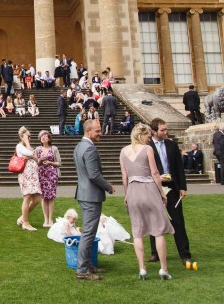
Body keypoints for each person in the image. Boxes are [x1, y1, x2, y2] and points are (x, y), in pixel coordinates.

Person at [120, 124, 174, 280]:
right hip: (149, 189)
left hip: (132, 192)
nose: (149, 139)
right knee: (158, 231)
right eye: (148, 136)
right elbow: (155, 173)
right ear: (141, 135)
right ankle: (163, 269)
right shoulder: (147, 149)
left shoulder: (123, 151)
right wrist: (162, 193)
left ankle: (142, 269)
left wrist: (126, 194)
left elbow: (124, 178)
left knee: (137, 232)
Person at [147, 118, 193, 269]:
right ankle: (154, 252)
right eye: (162, 130)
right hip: (154, 187)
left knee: (177, 220)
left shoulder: (172, 145)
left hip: (172, 187)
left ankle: (185, 253)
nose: (166, 132)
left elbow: (179, 168)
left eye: (166, 129)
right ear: (154, 131)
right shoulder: (147, 147)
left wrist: (182, 187)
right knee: (154, 220)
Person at [73, 119, 115, 281]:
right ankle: (82, 269)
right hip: (90, 195)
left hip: (84, 194)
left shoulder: (79, 146)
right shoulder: (89, 149)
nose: (100, 133)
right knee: (88, 233)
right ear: (88, 131)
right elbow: (93, 174)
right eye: (97, 131)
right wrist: (108, 186)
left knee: (88, 232)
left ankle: (87, 264)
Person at [15, 127, 41, 231]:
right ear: (23, 137)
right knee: (27, 197)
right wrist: (26, 142)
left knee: (37, 199)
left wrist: (31, 155)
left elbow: (35, 157)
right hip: (26, 174)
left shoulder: (25, 147)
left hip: (33, 174)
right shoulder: (19, 146)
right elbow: (31, 153)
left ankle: (22, 217)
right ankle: (25, 223)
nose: (30, 138)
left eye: (30, 136)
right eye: (28, 136)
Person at [35, 130, 61, 227]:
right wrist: (40, 160)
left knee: (51, 198)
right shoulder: (38, 149)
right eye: (42, 136)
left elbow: (59, 163)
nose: (43, 137)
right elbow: (35, 163)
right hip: (41, 175)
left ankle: (50, 219)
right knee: (43, 198)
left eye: (45, 136)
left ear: (49, 138)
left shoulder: (54, 148)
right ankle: (45, 219)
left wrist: (50, 163)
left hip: (52, 175)